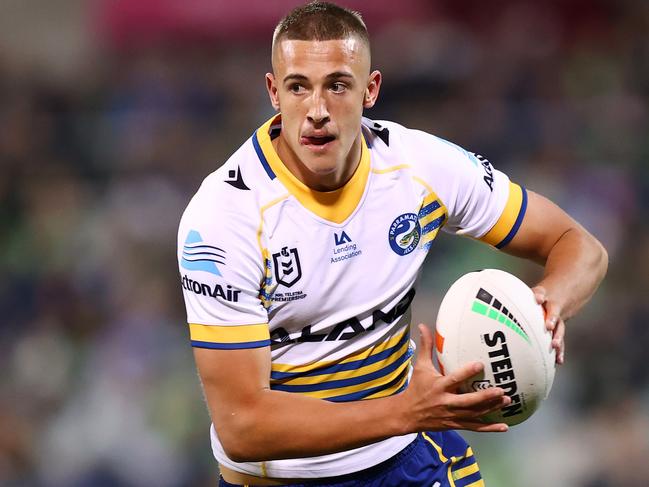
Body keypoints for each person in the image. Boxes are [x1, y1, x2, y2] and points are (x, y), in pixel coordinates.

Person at [177, 2, 608, 486]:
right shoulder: (223, 218)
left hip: (407, 461)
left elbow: (580, 245)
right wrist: (407, 412)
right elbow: (243, 427)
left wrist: (549, 305)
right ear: (274, 93)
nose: (317, 111)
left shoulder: (419, 166)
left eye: (337, 85)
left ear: (371, 90)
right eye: (299, 86)